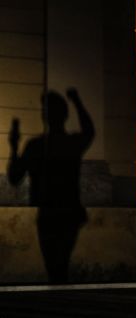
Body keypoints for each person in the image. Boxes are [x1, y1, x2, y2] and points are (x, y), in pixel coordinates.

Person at [7, 88, 94, 283]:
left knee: (54, 267)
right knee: (59, 266)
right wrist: (77, 101)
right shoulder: (68, 143)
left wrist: (13, 147)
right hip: (66, 212)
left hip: (49, 212)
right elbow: (89, 132)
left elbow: (14, 177)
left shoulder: (36, 146)